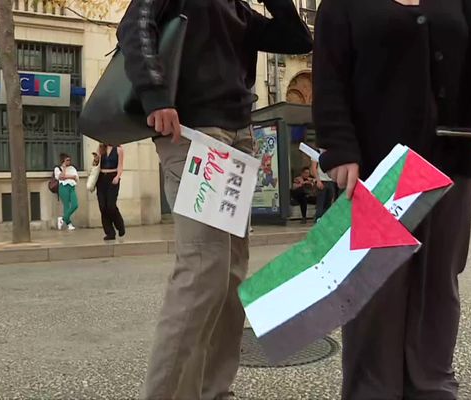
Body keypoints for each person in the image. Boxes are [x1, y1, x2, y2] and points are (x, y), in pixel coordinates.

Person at [313, 1, 471, 399]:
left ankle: (431, 388)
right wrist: (339, 146)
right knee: (374, 291)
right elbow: (329, 79)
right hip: (377, 170)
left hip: (449, 164)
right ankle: (371, 390)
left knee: (438, 286)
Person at [117, 0, 312, 398]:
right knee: (204, 268)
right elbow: (134, 28)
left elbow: (295, 38)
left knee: (229, 276)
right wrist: (156, 96)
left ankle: (213, 390)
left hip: (236, 142)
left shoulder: (238, 8)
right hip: (194, 136)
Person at [97, 143, 126, 241]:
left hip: (112, 177)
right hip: (101, 179)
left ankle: (120, 225)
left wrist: (117, 177)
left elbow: (120, 166)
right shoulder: (101, 148)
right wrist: (96, 158)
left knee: (111, 205)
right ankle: (109, 232)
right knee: (102, 206)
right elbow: (96, 165)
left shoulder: (119, 149)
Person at [55, 153, 79, 231]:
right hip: (63, 187)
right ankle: (69, 224)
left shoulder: (72, 168)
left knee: (75, 205)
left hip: (72, 187)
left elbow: (75, 177)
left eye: (69, 160)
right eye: (67, 160)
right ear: (63, 161)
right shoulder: (58, 168)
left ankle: (62, 219)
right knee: (66, 206)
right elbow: (60, 177)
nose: (69, 161)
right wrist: (64, 169)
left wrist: (67, 177)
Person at [311, 151, 336, 223]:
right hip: (321, 180)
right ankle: (317, 219)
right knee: (320, 203)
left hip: (330, 180)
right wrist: (318, 180)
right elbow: (313, 168)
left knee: (328, 202)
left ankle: (325, 221)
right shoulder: (316, 152)